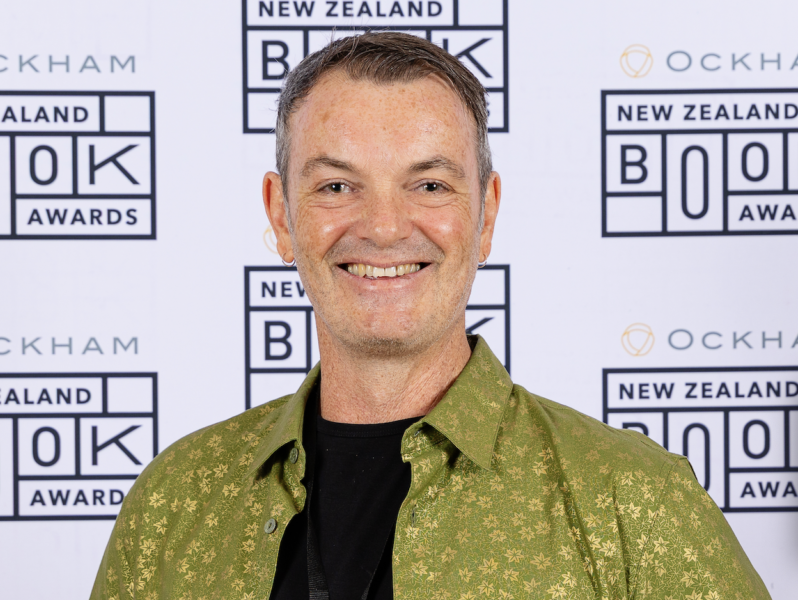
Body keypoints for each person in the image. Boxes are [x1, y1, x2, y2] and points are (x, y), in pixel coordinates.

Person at [91, 32, 770, 600]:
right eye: (336, 185)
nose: (385, 227)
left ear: (486, 214)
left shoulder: (632, 499)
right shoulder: (175, 502)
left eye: (429, 185)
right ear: (280, 216)